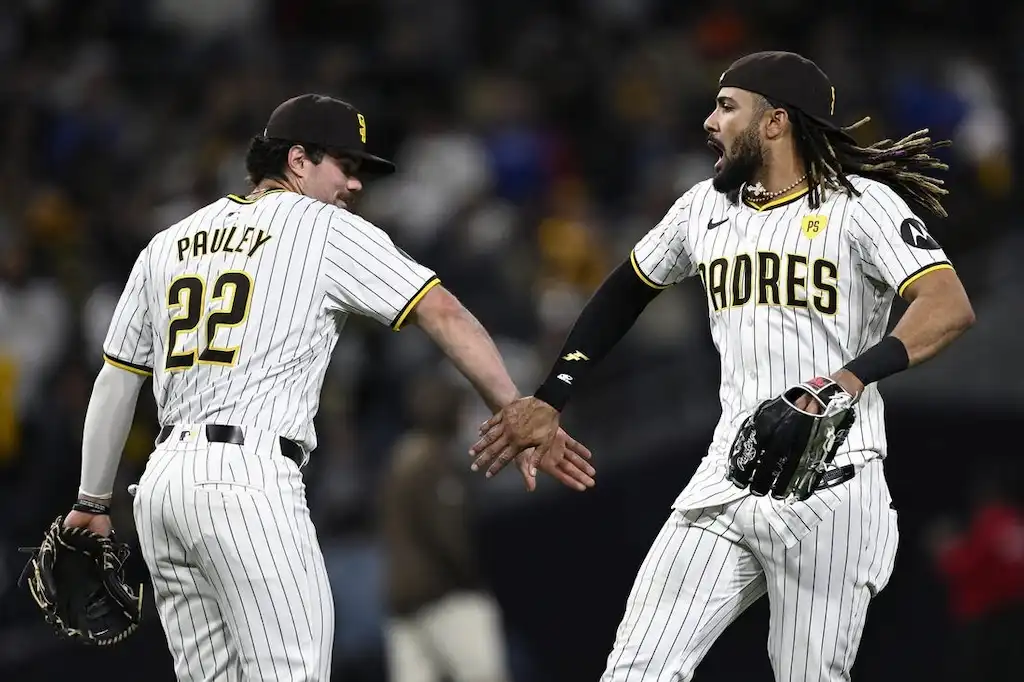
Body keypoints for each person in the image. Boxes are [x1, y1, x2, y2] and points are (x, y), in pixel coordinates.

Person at [469, 51, 976, 681]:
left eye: (727, 106)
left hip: (835, 484)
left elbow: (947, 305)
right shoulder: (702, 209)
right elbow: (625, 290)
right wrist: (553, 393)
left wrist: (843, 382)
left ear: (775, 122)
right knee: (634, 670)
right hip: (727, 477)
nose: (710, 121)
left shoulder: (860, 205)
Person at [60, 93, 595, 682]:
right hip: (247, 480)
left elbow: (116, 379)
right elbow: (442, 312)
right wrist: (514, 405)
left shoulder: (167, 243)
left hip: (161, 491)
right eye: (344, 164)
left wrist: (90, 500)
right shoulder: (322, 227)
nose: (355, 183)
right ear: (297, 161)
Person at [380, 372, 511, 682]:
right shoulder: (435, 462)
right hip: (447, 596)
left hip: (402, 605)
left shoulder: (399, 459)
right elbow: (448, 535)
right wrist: (474, 579)